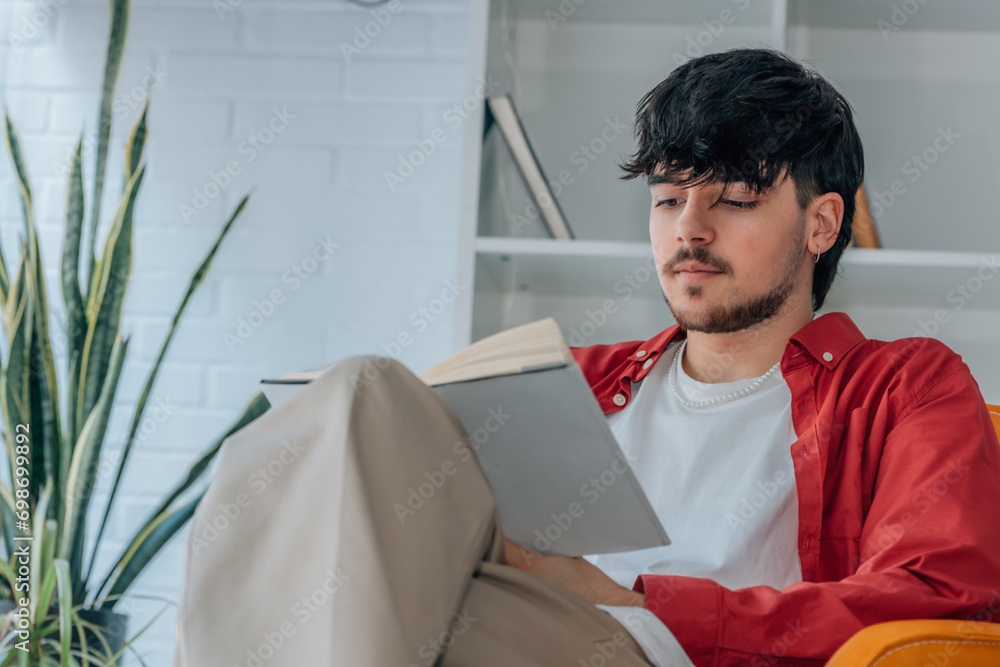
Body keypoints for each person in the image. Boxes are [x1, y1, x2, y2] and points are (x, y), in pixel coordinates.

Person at [171, 48, 1000, 667]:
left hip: (663, 648)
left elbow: (939, 597)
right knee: (354, 406)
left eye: (735, 199)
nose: (690, 230)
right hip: (513, 620)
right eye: (669, 199)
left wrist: (634, 599)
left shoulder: (904, 385)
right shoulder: (576, 376)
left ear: (822, 225)